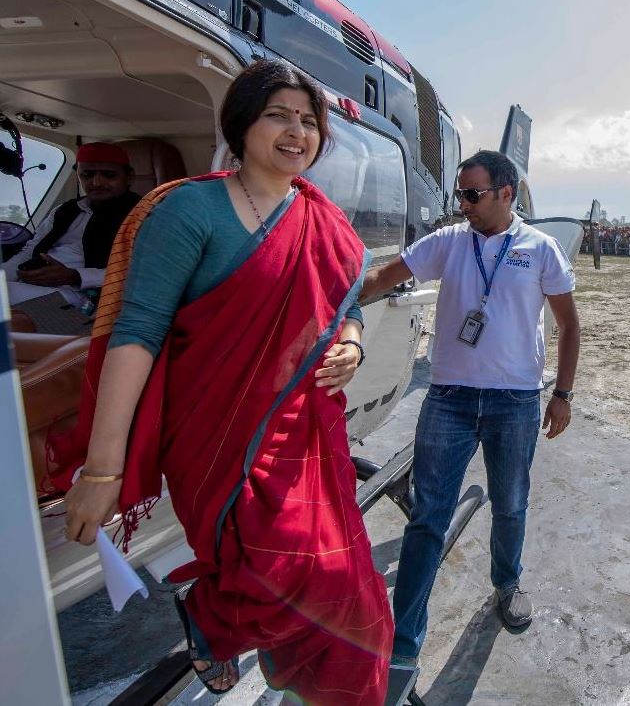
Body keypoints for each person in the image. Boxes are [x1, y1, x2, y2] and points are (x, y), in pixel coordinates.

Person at [58, 60, 392, 704]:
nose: (297, 132)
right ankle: (217, 620)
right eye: (278, 115)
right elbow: (137, 333)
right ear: (240, 125)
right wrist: (102, 471)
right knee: (293, 573)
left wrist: (350, 340)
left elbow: (345, 304)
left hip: (302, 432)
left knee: (350, 596)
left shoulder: (327, 225)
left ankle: (240, 639)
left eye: (308, 121)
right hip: (215, 437)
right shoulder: (190, 210)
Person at [360, 149, 580, 665]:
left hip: (516, 403)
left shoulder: (540, 249)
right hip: (450, 401)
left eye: (472, 195)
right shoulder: (448, 243)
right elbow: (383, 278)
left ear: (507, 194)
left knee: (510, 504)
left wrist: (562, 394)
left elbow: (570, 326)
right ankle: (404, 639)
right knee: (427, 519)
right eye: (459, 194)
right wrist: (335, 299)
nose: (463, 205)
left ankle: (507, 583)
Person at [3, 142, 140, 323]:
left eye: (109, 175)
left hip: (86, 297)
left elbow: (142, 273)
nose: (96, 182)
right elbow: (30, 250)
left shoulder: (142, 215)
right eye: (87, 175)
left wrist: (76, 276)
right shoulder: (65, 210)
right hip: (34, 286)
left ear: (129, 177)